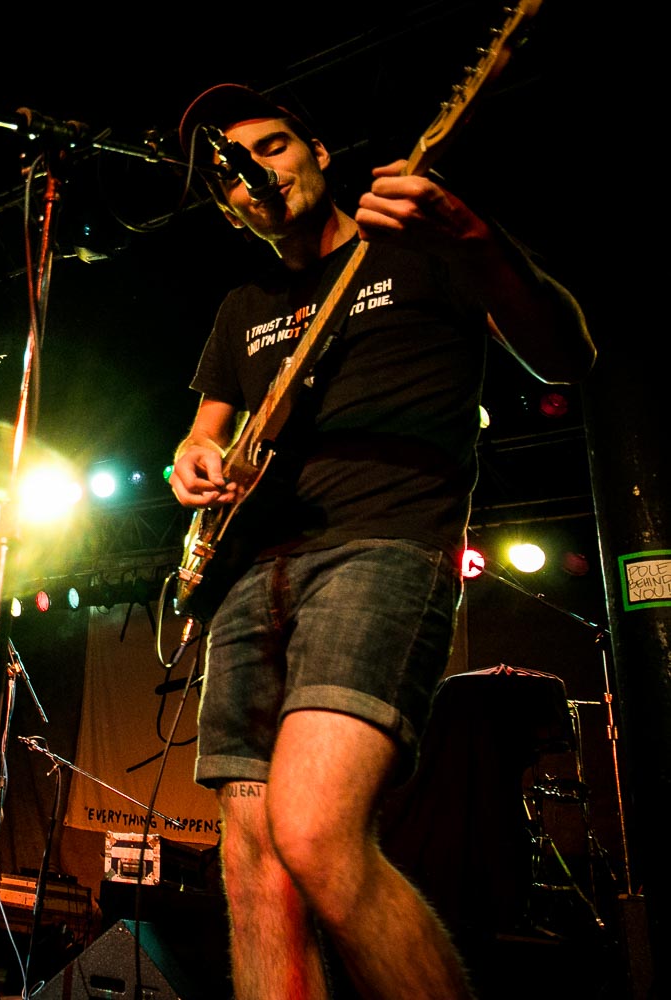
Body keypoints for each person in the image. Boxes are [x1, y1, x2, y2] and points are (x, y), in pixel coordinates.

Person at [166, 84, 593, 999]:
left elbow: (567, 356)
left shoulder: (419, 249)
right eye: (233, 177)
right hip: (248, 574)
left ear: (320, 151)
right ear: (230, 211)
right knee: (252, 866)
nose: (256, 177)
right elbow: (203, 434)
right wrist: (194, 461)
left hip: (382, 547)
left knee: (316, 832)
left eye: (272, 148)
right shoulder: (243, 303)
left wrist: (474, 236)